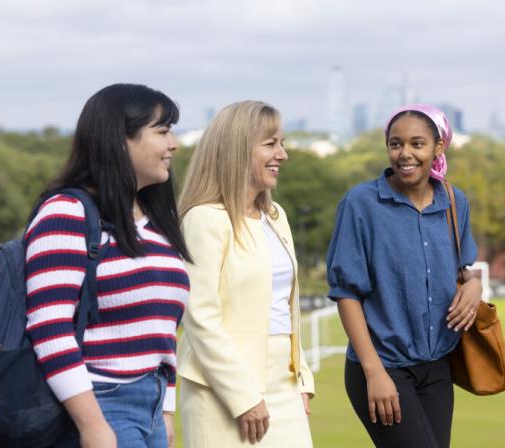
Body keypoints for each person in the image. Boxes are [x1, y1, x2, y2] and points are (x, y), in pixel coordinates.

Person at [24, 83, 191, 448]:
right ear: (121, 139)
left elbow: (162, 331)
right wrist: (92, 425)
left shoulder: (155, 225)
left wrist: (164, 412)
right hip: (100, 404)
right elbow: (48, 325)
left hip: (150, 408)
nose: (173, 144)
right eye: (162, 132)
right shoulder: (66, 213)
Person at [326, 104, 483, 448]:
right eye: (396, 144)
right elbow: (346, 293)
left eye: (417, 143)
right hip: (382, 367)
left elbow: (461, 270)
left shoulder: (455, 202)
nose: (405, 154)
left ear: (438, 148)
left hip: (438, 366)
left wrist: (475, 285)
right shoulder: (361, 204)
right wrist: (374, 373)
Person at [177, 100, 315, 447]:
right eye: (270, 144)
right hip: (221, 394)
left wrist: (303, 380)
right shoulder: (204, 219)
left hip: (284, 387)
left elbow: (286, 305)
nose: (281, 154)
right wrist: (243, 397)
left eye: (281, 143)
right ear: (237, 151)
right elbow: (200, 318)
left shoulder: (276, 216)